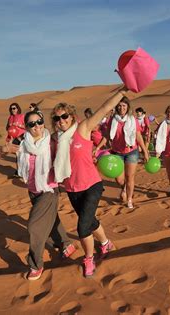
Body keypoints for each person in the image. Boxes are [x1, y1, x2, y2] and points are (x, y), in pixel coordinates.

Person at [50, 87, 129, 277]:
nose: (61, 121)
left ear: (72, 116)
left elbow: (104, 108)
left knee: (82, 226)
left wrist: (122, 91)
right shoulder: (55, 139)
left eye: (65, 116)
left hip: (92, 185)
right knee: (91, 221)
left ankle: (88, 258)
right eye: (57, 118)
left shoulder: (83, 128)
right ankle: (105, 243)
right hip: (72, 188)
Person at [0, 111, 76, 280]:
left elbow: (69, 140)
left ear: (43, 122)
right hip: (33, 190)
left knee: (34, 227)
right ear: (26, 126)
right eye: (31, 124)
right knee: (51, 218)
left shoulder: (52, 140)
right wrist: (3, 150)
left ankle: (35, 264)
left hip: (49, 189)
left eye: (39, 122)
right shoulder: (22, 140)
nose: (36, 126)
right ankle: (66, 244)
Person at [105, 97, 149, 208]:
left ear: (127, 107)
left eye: (124, 105)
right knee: (119, 178)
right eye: (119, 105)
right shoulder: (113, 120)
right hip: (117, 152)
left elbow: (138, 136)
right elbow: (106, 135)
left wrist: (145, 151)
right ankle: (124, 187)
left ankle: (129, 199)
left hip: (131, 151)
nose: (121, 108)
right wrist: (98, 147)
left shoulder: (132, 120)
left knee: (130, 177)